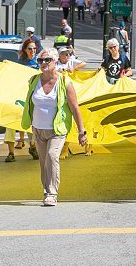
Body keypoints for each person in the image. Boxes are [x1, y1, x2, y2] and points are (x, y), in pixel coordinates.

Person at [19, 48, 88, 206]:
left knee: (51, 156)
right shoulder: (34, 81)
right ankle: (46, 190)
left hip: (57, 129)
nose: (43, 63)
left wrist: (81, 131)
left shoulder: (64, 82)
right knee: (43, 162)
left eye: (47, 60)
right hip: (38, 128)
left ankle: (52, 193)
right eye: (40, 61)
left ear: (55, 62)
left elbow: (75, 107)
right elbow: (30, 103)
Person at [5, 39, 40, 161]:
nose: (33, 51)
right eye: (30, 48)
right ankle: (10, 153)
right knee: (11, 123)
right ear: (25, 50)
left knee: (32, 123)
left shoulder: (39, 63)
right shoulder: (19, 64)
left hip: (32, 99)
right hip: (18, 98)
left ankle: (33, 147)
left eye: (34, 48)